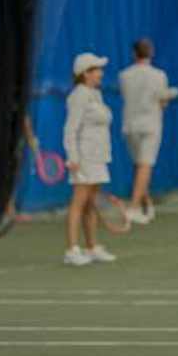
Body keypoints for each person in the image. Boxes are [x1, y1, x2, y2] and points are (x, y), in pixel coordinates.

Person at [61, 52, 118, 266]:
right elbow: (70, 129)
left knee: (91, 203)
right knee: (79, 202)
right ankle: (71, 250)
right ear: (86, 74)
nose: (101, 73)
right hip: (83, 157)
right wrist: (72, 157)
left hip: (98, 156)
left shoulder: (94, 94)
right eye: (97, 69)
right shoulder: (79, 95)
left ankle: (92, 247)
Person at [118, 38, 177, 224]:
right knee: (144, 165)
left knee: (140, 165)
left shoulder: (124, 75)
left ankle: (147, 205)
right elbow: (163, 103)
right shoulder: (160, 75)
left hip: (130, 126)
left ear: (134, 54)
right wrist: (166, 97)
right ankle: (134, 208)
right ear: (150, 54)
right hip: (150, 126)